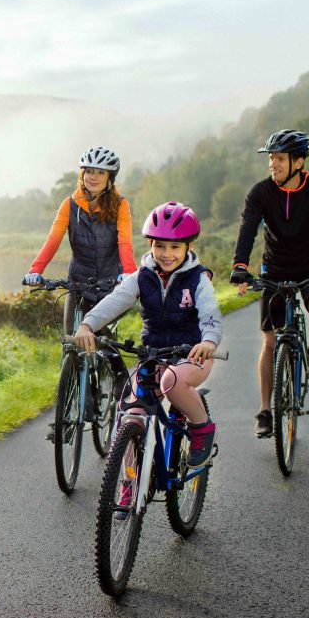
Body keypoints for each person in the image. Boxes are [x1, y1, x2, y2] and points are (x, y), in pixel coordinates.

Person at [72, 202, 222, 474]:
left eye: (175, 247)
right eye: (160, 246)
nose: (166, 254)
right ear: (151, 244)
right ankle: (128, 485)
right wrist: (87, 325)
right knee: (130, 412)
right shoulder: (141, 277)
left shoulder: (198, 279)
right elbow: (115, 301)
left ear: (188, 247)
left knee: (172, 382)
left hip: (193, 353)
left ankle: (202, 429)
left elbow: (210, 312)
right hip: (153, 353)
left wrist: (209, 341)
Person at [229, 129, 309, 439]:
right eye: (271, 159)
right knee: (270, 342)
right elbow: (247, 230)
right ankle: (265, 411)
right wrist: (240, 266)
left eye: (280, 159)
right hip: (275, 269)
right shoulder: (260, 193)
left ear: (298, 162)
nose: (273, 165)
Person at [23, 146, 137, 333]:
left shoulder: (120, 205)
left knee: (102, 338)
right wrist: (35, 270)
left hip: (110, 286)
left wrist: (129, 273)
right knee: (71, 340)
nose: (93, 177)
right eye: (89, 171)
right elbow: (53, 240)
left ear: (110, 177)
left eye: (100, 172)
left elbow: (124, 242)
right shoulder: (70, 204)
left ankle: (113, 360)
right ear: (82, 174)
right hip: (78, 284)